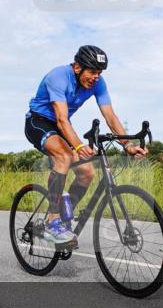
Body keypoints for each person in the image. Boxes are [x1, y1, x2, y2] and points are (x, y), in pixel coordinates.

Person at [24, 45, 147, 246]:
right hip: (39, 122)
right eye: (92, 71)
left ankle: (64, 215)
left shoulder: (98, 83)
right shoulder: (58, 76)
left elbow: (110, 116)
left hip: (62, 126)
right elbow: (61, 119)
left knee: (87, 172)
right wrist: (79, 146)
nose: (96, 77)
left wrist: (127, 145)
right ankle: (53, 222)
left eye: (99, 73)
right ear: (77, 67)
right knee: (64, 156)